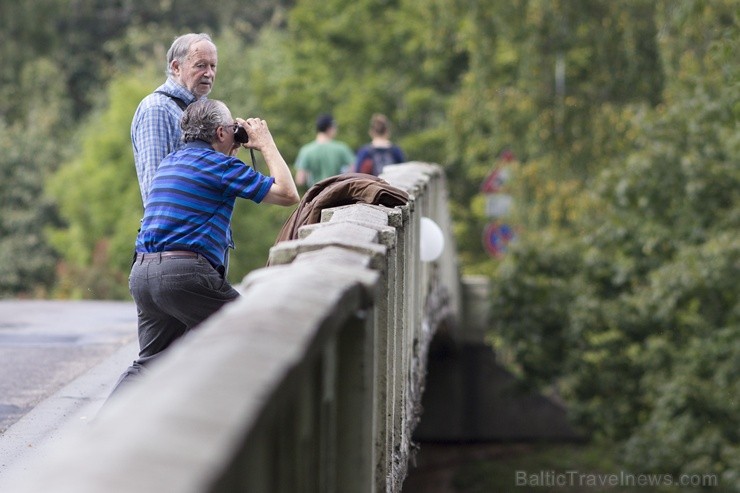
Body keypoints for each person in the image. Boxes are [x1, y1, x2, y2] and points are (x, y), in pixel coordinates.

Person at [110, 99, 299, 396]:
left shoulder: (170, 162)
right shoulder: (221, 166)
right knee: (252, 334)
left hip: (142, 272)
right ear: (222, 133)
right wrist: (265, 143)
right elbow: (288, 194)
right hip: (183, 273)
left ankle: (103, 433)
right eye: (233, 130)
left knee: (149, 365)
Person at [131, 32, 218, 205]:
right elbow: (155, 190)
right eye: (201, 65)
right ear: (176, 67)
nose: (208, 73)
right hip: (177, 230)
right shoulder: (157, 109)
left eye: (213, 66)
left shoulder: (201, 109)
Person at [294, 113, 355, 188]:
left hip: (315, 195)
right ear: (329, 128)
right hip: (337, 193)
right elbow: (353, 172)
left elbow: (300, 180)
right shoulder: (342, 148)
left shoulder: (306, 150)